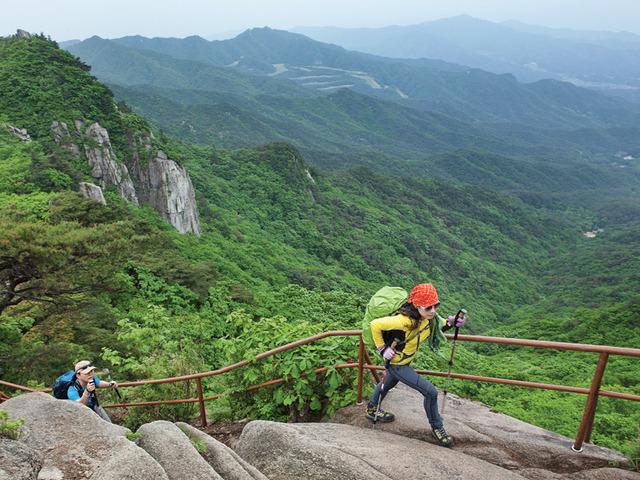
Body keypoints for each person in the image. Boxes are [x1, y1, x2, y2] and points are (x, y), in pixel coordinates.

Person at [365, 283, 465, 447]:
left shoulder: (426, 317)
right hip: (398, 364)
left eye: (435, 306)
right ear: (417, 305)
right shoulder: (402, 321)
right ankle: (437, 427)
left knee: (388, 383)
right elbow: (375, 325)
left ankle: (371, 408)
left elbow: (438, 325)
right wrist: (382, 349)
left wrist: (452, 322)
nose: (432, 310)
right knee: (431, 393)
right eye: (428, 308)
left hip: (404, 360)